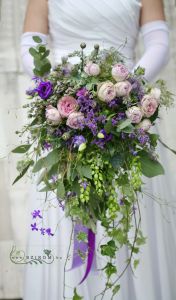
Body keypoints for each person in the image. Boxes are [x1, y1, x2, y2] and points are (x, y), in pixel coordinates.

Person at [21, 1, 173, 300]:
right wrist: (59, 88)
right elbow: (31, 41)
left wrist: (125, 85)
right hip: (66, 113)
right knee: (65, 211)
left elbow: (159, 40)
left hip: (126, 109)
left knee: (128, 211)